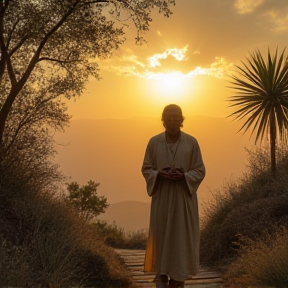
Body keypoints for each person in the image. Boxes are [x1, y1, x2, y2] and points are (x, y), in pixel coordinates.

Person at [141, 104, 205, 288]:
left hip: (183, 202)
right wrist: (159, 174)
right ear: (163, 119)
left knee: (180, 242)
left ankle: (178, 280)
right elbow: (146, 168)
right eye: (169, 116)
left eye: (176, 116)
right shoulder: (154, 142)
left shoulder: (191, 142)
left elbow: (200, 170)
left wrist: (183, 176)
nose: (172, 119)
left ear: (181, 119)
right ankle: (160, 279)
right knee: (160, 239)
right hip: (161, 199)